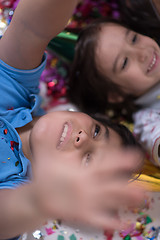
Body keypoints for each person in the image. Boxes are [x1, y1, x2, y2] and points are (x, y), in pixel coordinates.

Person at [0, 0, 145, 239]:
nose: (83, 138)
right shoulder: (14, 89)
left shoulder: (14, 189)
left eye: (88, 160)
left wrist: (40, 199)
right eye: (97, 132)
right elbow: (32, 29)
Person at [68, 7, 160, 167]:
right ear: (115, 95)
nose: (141, 53)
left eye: (133, 39)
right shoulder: (147, 121)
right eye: (124, 62)